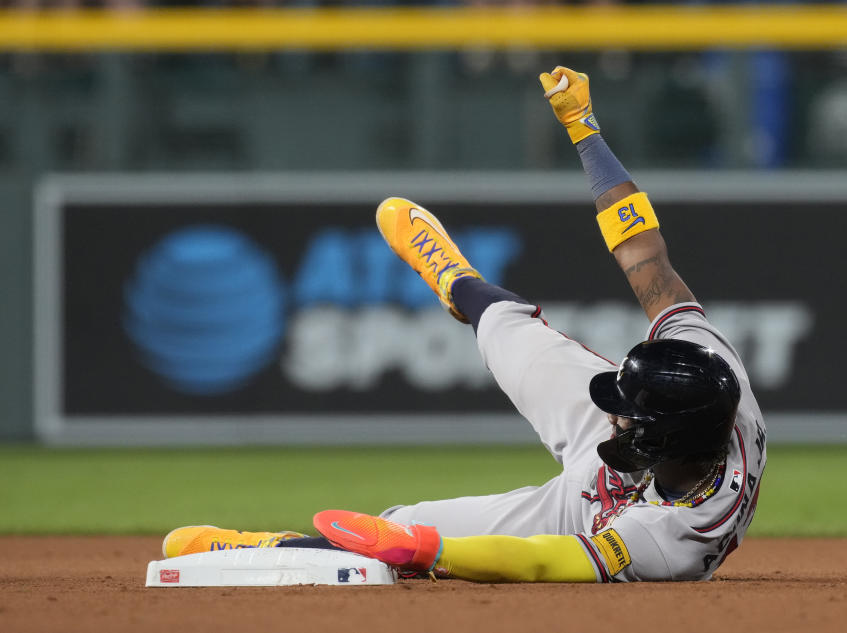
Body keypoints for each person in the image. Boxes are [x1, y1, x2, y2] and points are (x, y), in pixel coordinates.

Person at [162, 66, 767, 583]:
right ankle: (455, 279)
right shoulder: (706, 368)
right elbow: (644, 256)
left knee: (400, 530)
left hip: (583, 518)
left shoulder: (674, 536)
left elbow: (542, 564)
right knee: (510, 331)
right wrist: (586, 132)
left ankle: (260, 549)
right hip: (643, 462)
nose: (613, 408)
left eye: (628, 411)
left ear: (660, 438)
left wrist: (430, 550)